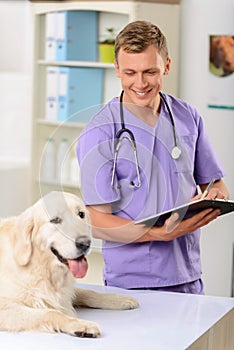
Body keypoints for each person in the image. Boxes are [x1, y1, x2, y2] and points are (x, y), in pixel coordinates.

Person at [76, 20, 229, 294]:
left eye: (150, 71)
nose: (140, 83)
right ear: (117, 70)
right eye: (130, 72)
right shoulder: (100, 132)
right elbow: (96, 220)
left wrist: (214, 195)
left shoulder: (187, 116)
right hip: (131, 282)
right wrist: (157, 234)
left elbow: (214, 183)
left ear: (166, 66)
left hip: (188, 274)